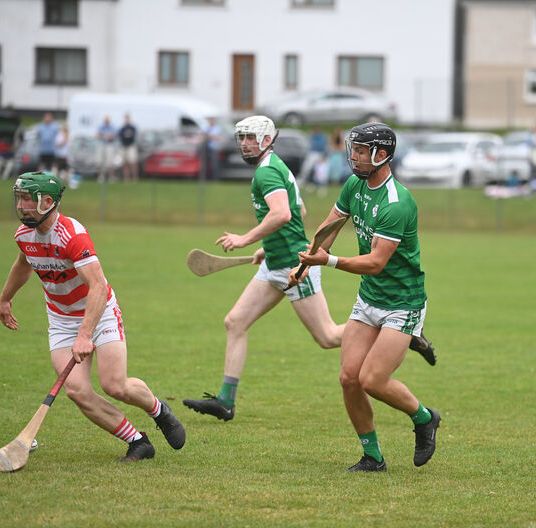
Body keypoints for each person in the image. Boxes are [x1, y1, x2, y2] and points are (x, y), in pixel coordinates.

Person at [183, 116, 435, 424]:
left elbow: (283, 213)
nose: (245, 143)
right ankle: (226, 400)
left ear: (265, 140)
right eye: (243, 138)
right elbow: (301, 212)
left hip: (294, 262)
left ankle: (402, 334)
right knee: (235, 322)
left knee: (328, 337)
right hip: (279, 261)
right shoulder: (278, 168)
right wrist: (271, 247)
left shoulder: (268, 173)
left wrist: (247, 240)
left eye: (250, 137)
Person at [0, 172, 186, 461]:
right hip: (61, 319)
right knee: (77, 391)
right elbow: (24, 264)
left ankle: (159, 411)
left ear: (47, 201)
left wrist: (85, 333)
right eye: (19, 198)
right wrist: (6, 298)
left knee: (115, 385)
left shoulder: (72, 235)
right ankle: (138, 442)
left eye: (27, 199)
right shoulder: (23, 236)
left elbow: (98, 285)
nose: (20, 205)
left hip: (99, 311)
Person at [288, 122, 440, 472]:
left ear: (381, 155)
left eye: (360, 150)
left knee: (373, 380)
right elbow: (329, 227)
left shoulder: (397, 203)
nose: (353, 155)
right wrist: (308, 262)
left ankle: (425, 418)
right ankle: (372, 457)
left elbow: (375, 263)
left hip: (403, 303)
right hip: (369, 300)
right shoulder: (355, 185)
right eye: (353, 149)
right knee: (349, 378)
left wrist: (328, 260)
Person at [118, 114, 139, 183]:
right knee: (125, 163)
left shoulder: (132, 127)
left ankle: (134, 178)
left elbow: (133, 135)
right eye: (125, 118)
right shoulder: (122, 128)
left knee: (133, 163)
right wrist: (126, 135)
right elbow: (120, 136)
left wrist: (128, 135)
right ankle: (126, 179)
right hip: (124, 146)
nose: (126, 119)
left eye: (128, 118)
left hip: (131, 146)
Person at [97, 115, 117, 183]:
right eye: (106, 120)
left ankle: (111, 177)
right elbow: (98, 134)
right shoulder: (101, 126)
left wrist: (106, 135)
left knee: (110, 162)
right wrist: (105, 135)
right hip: (102, 145)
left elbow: (112, 136)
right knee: (101, 161)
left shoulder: (112, 127)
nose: (106, 121)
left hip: (109, 145)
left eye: (107, 120)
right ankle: (101, 176)